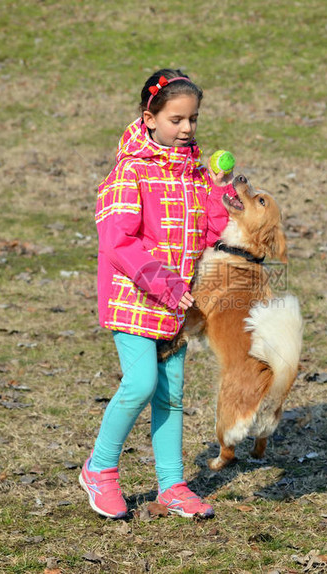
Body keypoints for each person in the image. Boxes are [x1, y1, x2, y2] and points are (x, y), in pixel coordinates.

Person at [79, 69, 234, 519]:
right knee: (141, 383)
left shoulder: (194, 172)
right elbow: (117, 243)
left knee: (171, 393)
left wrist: (224, 198)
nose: (186, 129)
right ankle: (100, 469)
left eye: (193, 119)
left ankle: (171, 485)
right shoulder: (128, 172)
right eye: (176, 119)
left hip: (177, 304)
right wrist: (165, 285)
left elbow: (210, 229)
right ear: (149, 117)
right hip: (134, 299)